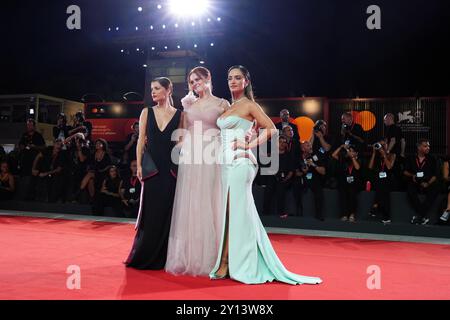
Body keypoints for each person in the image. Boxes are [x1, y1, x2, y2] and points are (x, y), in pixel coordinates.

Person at [210, 65, 322, 285]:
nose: (233, 81)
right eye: (230, 78)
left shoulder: (250, 105)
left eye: (238, 78)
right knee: (232, 212)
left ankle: (226, 262)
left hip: (242, 162)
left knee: (234, 211)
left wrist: (248, 144)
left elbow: (271, 129)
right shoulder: (229, 108)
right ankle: (232, 260)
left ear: (246, 81)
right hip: (225, 163)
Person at [166, 66, 229, 276]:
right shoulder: (188, 104)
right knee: (192, 202)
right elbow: (182, 132)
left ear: (208, 78)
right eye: (191, 82)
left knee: (212, 200)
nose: (194, 84)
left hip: (213, 154)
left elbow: (228, 129)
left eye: (197, 80)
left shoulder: (222, 103)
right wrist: (180, 146)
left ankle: (218, 256)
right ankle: (193, 255)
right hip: (192, 157)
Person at [125, 77, 182, 270]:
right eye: (152, 89)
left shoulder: (179, 114)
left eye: (157, 88)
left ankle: (163, 257)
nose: (153, 92)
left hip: (171, 171)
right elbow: (141, 140)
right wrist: (139, 166)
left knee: (167, 213)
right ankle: (144, 253)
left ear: (168, 90)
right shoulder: (146, 112)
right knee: (150, 213)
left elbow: (180, 143)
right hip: (151, 170)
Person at [403, 139, 438, 225]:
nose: (428, 148)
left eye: (428, 146)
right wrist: (412, 176)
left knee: (434, 190)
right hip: (415, 182)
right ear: (419, 147)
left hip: (427, 182)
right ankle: (422, 216)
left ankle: (420, 216)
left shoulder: (432, 159)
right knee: (410, 190)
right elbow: (405, 171)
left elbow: (435, 175)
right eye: (425, 146)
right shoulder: (411, 158)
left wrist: (428, 183)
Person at [293, 140, 326, 220]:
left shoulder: (316, 156)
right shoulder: (298, 157)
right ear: (303, 149)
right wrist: (303, 172)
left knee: (318, 190)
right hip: (302, 178)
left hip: (314, 179)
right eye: (308, 146)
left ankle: (319, 214)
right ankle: (298, 212)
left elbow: (323, 171)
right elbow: (296, 172)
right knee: (296, 185)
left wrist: (313, 165)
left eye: (310, 145)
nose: (310, 147)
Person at [368, 139, 397, 224]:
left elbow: (389, 167)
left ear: (387, 146)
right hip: (378, 180)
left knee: (383, 185)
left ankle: (376, 205)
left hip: (389, 180)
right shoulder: (377, 156)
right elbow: (370, 167)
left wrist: (384, 155)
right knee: (380, 184)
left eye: (384, 145)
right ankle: (381, 210)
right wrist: (374, 153)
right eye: (380, 145)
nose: (382, 147)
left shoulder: (392, 155)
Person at [332, 143, 362, 222]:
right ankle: (344, 215)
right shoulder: (344, 159)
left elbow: (357, 167)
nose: (350, 153)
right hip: (344, 183)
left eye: (352, 151)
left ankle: (352, 214)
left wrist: (352, 157)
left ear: (356, 153)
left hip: (354, 184)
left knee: (352, 196)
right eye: (349, 151)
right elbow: (334, 155)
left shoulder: (359, 160)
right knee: (343, 197)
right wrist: (341, 147)